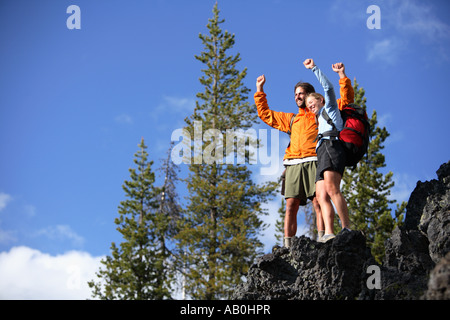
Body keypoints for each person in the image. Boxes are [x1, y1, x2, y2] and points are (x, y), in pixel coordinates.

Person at [255, 61, 353, 246]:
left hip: (316, 160)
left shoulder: (321, 112)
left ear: (310, 96)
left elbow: (345, 100)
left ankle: (324, 237)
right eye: (296, 95)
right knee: (291, 204)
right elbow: (266, 114)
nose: (298, 97)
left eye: (301, 93)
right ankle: (288, 245)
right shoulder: (292, 119)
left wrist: (342, 77)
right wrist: (260, 90)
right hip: (293, 163)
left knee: (318, 201)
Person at [303, 58, 351, 242]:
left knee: (332, 188)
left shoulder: (330, 108)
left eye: (312, 102)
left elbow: (329, 88)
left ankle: (346, 228)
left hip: (332, 146)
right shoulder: (317, 119)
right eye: (308, 106)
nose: (310, 106)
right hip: (322, 151)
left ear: (320, 100)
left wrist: (314, 68)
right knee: (321, 194)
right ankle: (329, 233)